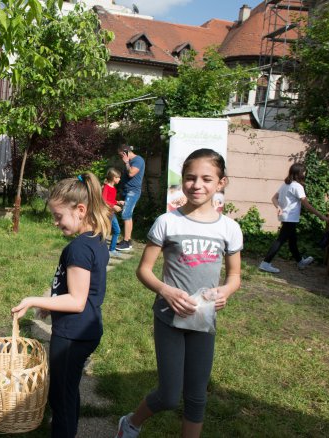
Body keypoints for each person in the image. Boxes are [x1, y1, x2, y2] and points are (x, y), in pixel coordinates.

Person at [116, 149, 243, 438]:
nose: (197, 185)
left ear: (221, 182)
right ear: (182, 180)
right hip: (168, 318)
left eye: (206, 179)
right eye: (190, 177)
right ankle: (131, 423)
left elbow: (235, 276)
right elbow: (144, 270)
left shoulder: (229, 228)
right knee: (169, 396)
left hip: (203, 321)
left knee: (197, 397)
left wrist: (225, 291)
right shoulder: (167, 222)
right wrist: (166, 291)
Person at [12, 172, 110, 438]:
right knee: (68, 390)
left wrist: (33, 300)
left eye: (58, 216)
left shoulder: (78, 249)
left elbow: (77, 301)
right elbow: (78, 291)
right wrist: (52, 305)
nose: (55, 223)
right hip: (84, 331)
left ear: (80, 210)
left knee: (60, 398)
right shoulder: (96, 241)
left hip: (72, 334)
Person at [258, 163, 329, 273]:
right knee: (280, 240)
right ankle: (265, 263)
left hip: (286, 217)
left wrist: (278, 207)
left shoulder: (286, 185)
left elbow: (274, 198)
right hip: (290, 218)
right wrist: (322, 216)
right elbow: (307, 205)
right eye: (304, 172)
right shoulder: (297, 186)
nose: (305, 173)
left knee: (292, 241)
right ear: (299, 173)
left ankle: (300, 261)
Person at [116, 143, 145, 251]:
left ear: (125, 153)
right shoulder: (131, 161)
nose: (121, 158)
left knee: (126, 215)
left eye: (121, 155)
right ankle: (127, 240)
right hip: (127, 191)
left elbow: (131, 173)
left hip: (133, 192)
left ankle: (126, 243)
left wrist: (127, 162)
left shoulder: (138, 160)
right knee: (127, 215)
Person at [102, 167, 125, 257]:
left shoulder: (113, 188)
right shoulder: (106, 187)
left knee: (117, 230)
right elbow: (103, 200)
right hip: (106, 213)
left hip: (111, 213)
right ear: (114, 178)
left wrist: (118, 202)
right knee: (105, 232)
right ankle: (102, 250)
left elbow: (111, 200)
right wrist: (113, 206)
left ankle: (112, 249)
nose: (120, 179)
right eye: (118, 177)